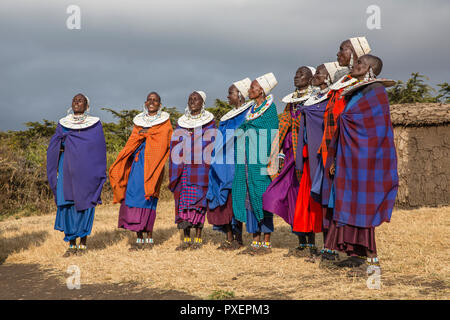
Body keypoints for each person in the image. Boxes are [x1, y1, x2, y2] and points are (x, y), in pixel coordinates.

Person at [321, 54, 398, 276]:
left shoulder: (376, 93)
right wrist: (335, 157)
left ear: (371, 70)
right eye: (356, 63)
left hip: (366, 160)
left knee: (363, 208)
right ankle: (354, 255)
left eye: (360, 64)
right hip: (348, 158)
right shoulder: (356, 92)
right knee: (347, 203)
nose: (354, 66)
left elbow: (375, 129)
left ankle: (373, 260)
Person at [314, 36, 372, 264]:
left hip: (348, 152)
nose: (338, 53)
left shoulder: (362, 86)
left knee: (350, 200)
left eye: (343, 50)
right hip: (331, 150)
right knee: (332, 201)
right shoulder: (343, 83)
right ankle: (335, 247)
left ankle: (357, 252)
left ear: (356, 55)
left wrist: (340, 154)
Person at [109, 92, 173, 250]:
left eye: (155, 100)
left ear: (160, 104)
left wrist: (148, 135)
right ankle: (138, 239)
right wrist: (142, 136)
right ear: (145, 103)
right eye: (149, 100)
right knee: (133, 198)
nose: (152, 102)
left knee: (148, 198)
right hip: (137, 167)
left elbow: (165, 142)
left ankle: (149, 240)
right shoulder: (138, 123)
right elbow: (132, 142)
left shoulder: (165, 123)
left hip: (153, 167)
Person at [262, 66, 315, 256]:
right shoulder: (290, 103)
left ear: (310, 78)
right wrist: (281, 155)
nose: (296, 77)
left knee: (307, 198)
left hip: (308, 155)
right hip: (291, 156)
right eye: (295, 74)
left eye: (301, 74)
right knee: (292, 198)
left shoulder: (314, 99)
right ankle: (300, 241)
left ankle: (311, 242)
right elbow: (284, 128)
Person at [47, 94, 106, 257]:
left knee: (85, 203)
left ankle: (83, 243)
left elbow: (99, 148)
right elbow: (55, 144)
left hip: (87, 170)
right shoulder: (63, 124)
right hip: (66, 169)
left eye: (80, 100)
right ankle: (71, 244)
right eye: (74, 100)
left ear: (87, 105)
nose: (77, 102)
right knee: (68, 204)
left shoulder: (95, 124)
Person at [232, 73, 279, 255]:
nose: (249, 90)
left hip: (261, 160)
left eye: (252, 87)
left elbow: (271, 133)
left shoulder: (270, 109)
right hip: (246, 160)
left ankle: (266, 242)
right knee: (249, 198)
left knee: (261, 196)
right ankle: (255, 240)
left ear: (261, 90)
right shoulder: (251, 110)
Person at [207, 78, 253, 250]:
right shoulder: (227, 117)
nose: (227, 96)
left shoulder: (248, 113)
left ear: (240, 94)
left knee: (237, 200)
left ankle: (238, 238)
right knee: (224, 199)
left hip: (239, 163)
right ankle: (228, 238)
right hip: (222, 164)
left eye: (231, 93)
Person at [169, 91, 216, 250]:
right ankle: (186, 239)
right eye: (190, 99)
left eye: (196, 99)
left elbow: (212, 143)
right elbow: (175, 144)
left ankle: (198, 239)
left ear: (202, 102)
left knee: (199, 204)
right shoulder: (181, 123)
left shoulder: (209, 123)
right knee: (184, 204)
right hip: (183, 170)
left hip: (201, 169)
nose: (192, 101)